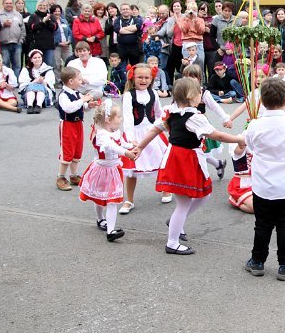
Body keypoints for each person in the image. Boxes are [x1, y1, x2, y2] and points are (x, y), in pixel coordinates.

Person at [135, 77, 244, 255]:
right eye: (199, 92)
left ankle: (175, 222)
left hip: (182, 158)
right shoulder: (193, 117)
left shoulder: (171, 111)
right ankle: (172, 242)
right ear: (191, 95)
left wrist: (140, 147)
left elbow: (155, 129)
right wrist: (238, 139)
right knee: (184, 203)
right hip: (183, 160)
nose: (201, 95)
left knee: (203, 196)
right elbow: (216, 135)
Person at [241, 77, 285, 280]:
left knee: (262, 224)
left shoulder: (255, 125)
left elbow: (250, 147)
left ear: (261, 100)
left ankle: (257, 260)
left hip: (262, 185)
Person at [78, 100, 137, 242]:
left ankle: (110, 230)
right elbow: (112, 146)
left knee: (112, 200)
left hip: (113, 169)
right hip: (101, 170)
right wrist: (126, 152)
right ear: (108, 120)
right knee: (100, 197)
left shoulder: (116, 132)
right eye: (118, 117)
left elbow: (121, 142)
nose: (121, 119)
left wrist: (131, 145)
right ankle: (100, 219)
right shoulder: (101, 135)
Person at [120, 63, 171, 215]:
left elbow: (159, 113)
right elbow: (128, 118)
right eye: (140, 77)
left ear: (151, 78)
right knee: (132, 168)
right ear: (132, 77)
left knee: (162, 162)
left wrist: (164, 126)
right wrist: (131, 139)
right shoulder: (129, 95)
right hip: (135, 133)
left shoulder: (153, 93)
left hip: (153, 132)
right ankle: (129, 199)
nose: (143, 80)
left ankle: (166, 189)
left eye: (147, 77)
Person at [56, 66, 95, 191]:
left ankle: (74, 175)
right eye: (79, 79)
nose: (81, 81)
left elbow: (81, 107)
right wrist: (82, 100)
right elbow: (69, 108)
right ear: (71, 81)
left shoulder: (76, 93)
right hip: (68, 125)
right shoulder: (64, 95)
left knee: (77, 150)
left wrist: (88, 105)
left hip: (78, 124)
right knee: (67, 150)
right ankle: (61, 177)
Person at [18, 49, 55, 113]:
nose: (37, 59)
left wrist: (42, 82)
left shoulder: (48, 69)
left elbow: (51, 83)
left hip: (44, 94)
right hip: (28, 93)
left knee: (40, 87)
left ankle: (38, 105)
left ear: (42, 58)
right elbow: (22, 83)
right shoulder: (26, 69)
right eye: (35, 58)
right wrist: (34, 82)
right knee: (32, 87)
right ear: (31, 59)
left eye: (39, 57)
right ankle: (30, 106)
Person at [0, 0, 26, 75]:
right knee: (5, 64)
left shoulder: (18, 15)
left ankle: (16, 81)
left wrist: (20, 41)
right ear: (3, 4)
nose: (9, 5)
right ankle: (7, 80)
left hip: (17, 44)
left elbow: (23, 29)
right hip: (4, 44)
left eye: (10, 3)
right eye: (6, 3)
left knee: (17, 65)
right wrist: (3, 24)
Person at [26, 0, 57, 68]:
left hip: (49, 46)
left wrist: (48, 21)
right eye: (40, 5)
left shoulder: (51, 16)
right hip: (37, 46)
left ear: (47, 7)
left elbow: (55, 27)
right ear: (37, 6)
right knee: (37, 65)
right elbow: (32, 27)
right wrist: (42, 22)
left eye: (44, 5)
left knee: (49, 65)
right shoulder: (33, 16)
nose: (42, 7)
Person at [226, 143, 254, 213]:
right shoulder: (238, 141)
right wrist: (245, 139)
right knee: (255, 208)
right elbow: (238, 151)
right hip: (243, 184)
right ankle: (237, 201)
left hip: (261, 181)